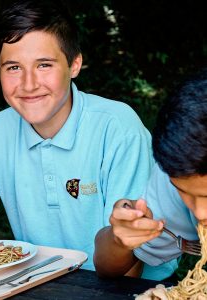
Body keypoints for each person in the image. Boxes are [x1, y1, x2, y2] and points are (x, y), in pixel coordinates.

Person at [0, 0, 152, 271]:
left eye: (44, 65)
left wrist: (121, 239)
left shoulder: (117, 128)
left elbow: (131, 265)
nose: (28, 84)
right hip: (40, 285)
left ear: (74, 65)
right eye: (13, 67)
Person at [94, 71, 207, 278]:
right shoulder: (175, 173)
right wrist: (119, 240)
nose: (200, 213)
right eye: (184, 192)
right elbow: (110, 271)